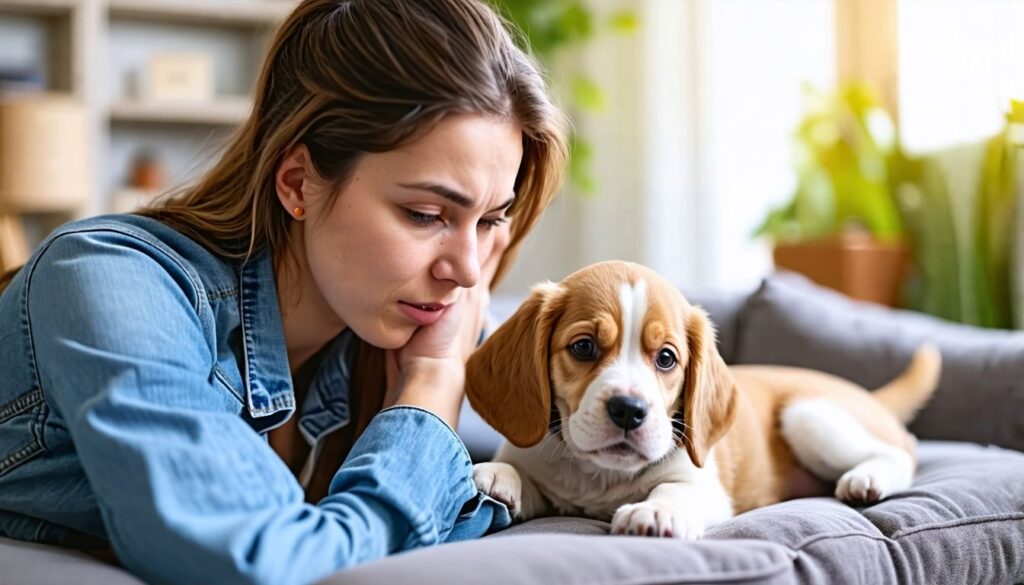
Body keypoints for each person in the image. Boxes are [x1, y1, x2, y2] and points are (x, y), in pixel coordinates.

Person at [0, 0, 568, 583]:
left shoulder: (393, 314)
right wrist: (430, 388)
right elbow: (262, 563)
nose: (469, 271)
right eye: (424, 214)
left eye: (490, 220)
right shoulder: (109, 279)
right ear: (298, 182)